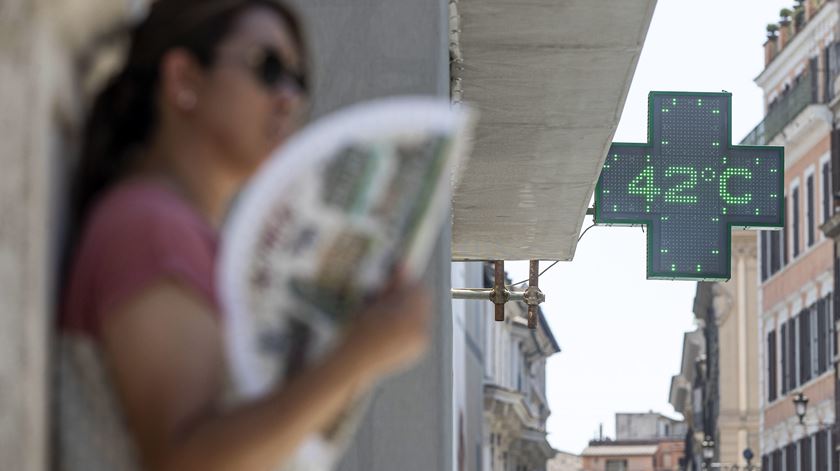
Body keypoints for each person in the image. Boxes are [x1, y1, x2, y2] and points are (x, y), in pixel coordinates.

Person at [58, 1, 432, 470]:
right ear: (184, 80)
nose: (288, 99)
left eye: (299, 81)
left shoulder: (179, 230)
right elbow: (185, 459)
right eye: (268, 68)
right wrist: (357, 357)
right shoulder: (152, 226)